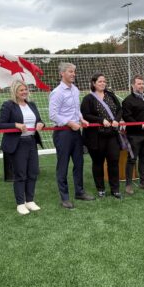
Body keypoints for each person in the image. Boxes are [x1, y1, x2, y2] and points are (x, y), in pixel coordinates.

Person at [49, 62, 95, 209]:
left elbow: (76, 110)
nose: (73, 74)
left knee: (79, 163)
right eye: (70, 71)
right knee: (63, 165)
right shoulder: (57, 93)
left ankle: (79, 192)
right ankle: (65, 198)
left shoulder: (75, 90)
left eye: (74, 71)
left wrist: (81, 119)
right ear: (62, 74)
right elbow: (53, 115)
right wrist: (69, 123)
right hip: (63, 133)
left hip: (76, 132)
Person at [0, 81, 45, 215]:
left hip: (31, 142)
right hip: (17, 143)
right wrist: (16, 125)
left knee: (33, 172)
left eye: (25, 89)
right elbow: (1, 125)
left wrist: (41, 123)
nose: (24, 92)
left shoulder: (32, 104)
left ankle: (30, 200)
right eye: (21, 90)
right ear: (14, 92)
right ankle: (20, 203)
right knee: (20, 174)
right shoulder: (8, 105)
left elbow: (39, 120)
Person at [81, 73, 122, 198]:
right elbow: (85, 114)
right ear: (93, 83)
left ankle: (115, 189)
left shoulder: (111, 95)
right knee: (98, 163)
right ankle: (101, 189)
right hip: (96, 137)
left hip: (112, 135)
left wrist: (117, 119)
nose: (103, 83)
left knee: (114, 162)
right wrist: (100, 120)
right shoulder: (88, 98)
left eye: (104, 81)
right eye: (100, 81)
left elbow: (120, 109)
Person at [122, 75, 144, 194]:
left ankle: (143, 182)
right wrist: (139, 125)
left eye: (142, 84)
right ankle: (128, 185)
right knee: (132, 159)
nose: (141, 86)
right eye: (139, 84)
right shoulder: (127, 100)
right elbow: (127, 117)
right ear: (133, 85)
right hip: (134, 135)